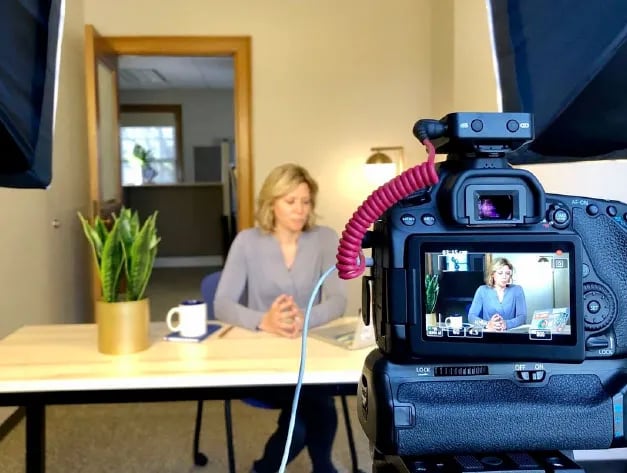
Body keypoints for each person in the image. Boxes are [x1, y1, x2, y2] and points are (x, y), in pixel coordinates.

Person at [214, 163, 347, 473]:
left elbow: (339, 300)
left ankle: (319, 465)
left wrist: (306, 318)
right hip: (263, 359)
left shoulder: (325, 239)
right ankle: (285, 468)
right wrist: (264, 321)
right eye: (291, 202)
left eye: (306, 201)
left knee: (315, 402)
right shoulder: (247, 242)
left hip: (308, 353)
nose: (300, 210)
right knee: (310, 416)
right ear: (271, 203)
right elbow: (222, 303)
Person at [467, 257, 527, 331]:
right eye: (500, 273)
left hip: (510, 334)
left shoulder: (517, 290)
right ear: (492, 274)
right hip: (489, 334)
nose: (504, 277)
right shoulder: (482, 290)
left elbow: (522, 317)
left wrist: (506, 324)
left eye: (507, 273)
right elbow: (471, 316)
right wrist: (487, 324)